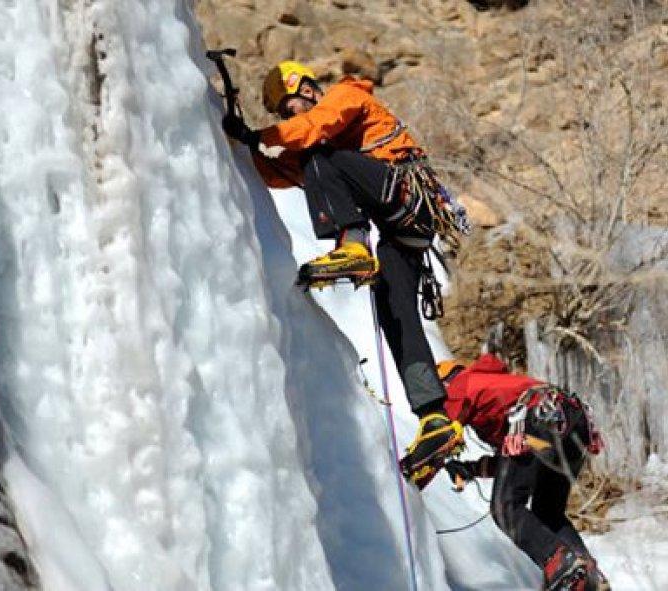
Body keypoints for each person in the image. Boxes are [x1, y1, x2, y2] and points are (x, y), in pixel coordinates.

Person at [221, 61, 466, 472]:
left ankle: (352, 244)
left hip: (403, 192)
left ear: (310, 89)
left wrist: (260, 135)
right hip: (401, 227)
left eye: (291, 105)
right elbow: (287, 173)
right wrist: (247, 147)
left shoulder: (347, 97)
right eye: (283, 113)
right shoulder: (327, 142)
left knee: (318, 154)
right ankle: (435, 418)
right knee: (396, 314)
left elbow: (315, 130)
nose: (291, 115)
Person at [432, 355, 609, 591]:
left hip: (538, 419)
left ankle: (562, 564)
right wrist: (471, 469)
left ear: (444, 381)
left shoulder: (461, 384)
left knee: (505, 507)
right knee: (548, 512)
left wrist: (417, 466)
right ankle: (587, 578)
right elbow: (517, 463)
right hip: (568, 422)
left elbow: (440, 434)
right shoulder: (498, 388)